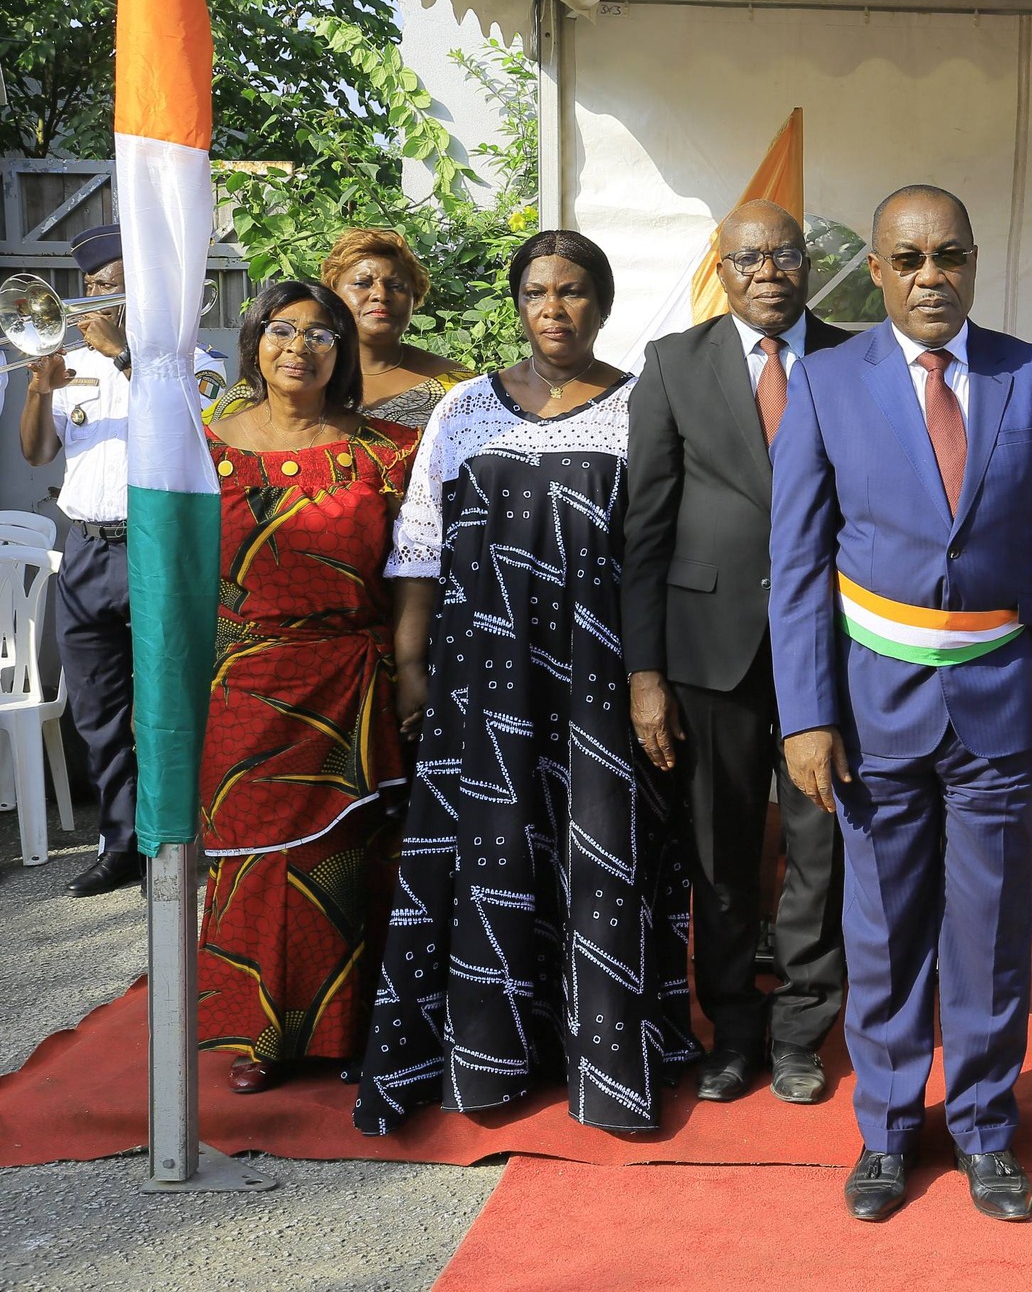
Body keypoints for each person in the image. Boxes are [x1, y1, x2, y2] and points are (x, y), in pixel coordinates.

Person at [770, 185, 1032, 1222]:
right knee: (880, 931)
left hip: (999, 704)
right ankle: (885, 1131)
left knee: (990, 933)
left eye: (948, 256)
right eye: (908, 259)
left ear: (973, 262)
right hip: (871, 710)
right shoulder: (826, 381)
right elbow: (796, 565)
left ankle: (986, 1130)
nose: (930, 277)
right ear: (876, 269)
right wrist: (806, 716)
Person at [354, 230, 701, 1135]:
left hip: (600, 680)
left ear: (603, 304)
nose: (555, 307)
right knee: (493, 851)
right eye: (538, 291)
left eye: (574, 290)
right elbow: (420, 546)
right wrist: (411, 666)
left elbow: (662, 551)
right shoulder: (466, 405)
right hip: (483, 682)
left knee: (599, 850)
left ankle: (607, 1062)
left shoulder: (644, 404)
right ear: (517, 304)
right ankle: (488, 1058)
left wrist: (653, 677)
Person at [624, 199, 853, 1104]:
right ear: (721, 270)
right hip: (706, 650)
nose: (767, 273)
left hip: (828, 646)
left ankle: (800, 1030)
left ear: (807, 264)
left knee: (819, 848)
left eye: (784, 255)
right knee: (718, 853)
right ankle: (731, 1027)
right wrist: (645, 672)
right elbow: (645, 527)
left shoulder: (856, 358)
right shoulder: (672, 363)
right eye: (748, 258)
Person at [197, 282, 415, 1093]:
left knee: (349, 861)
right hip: (243, 685)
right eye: (282, 329)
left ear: (343, 352)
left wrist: (412, 669)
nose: (299, 347)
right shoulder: (203, 448)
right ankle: (262, 1034)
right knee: (254, 863)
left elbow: (416, 573)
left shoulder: (389, 451)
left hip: (354, 683)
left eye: (321, 334)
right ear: (254, 341)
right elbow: (178, 577)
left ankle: (356, 1026)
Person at [17, 224, 225, 897]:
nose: (92, 298)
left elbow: (200, 434)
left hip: (159, 548)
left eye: (107, 286)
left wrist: (126, 356)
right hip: (85, 547)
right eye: (90, 286)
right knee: (97, 708)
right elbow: (37, 454)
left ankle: (186, 837)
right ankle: (121, 843)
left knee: (174, 695)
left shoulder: (197, 362)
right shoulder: (72, 366)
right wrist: (39, 388)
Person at [213, 230, 468, 431]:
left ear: (415, 297)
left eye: (396, 286)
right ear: (332, 294)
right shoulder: (288, 373)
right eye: (362, 283)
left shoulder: (460, 389)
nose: (380, 295)